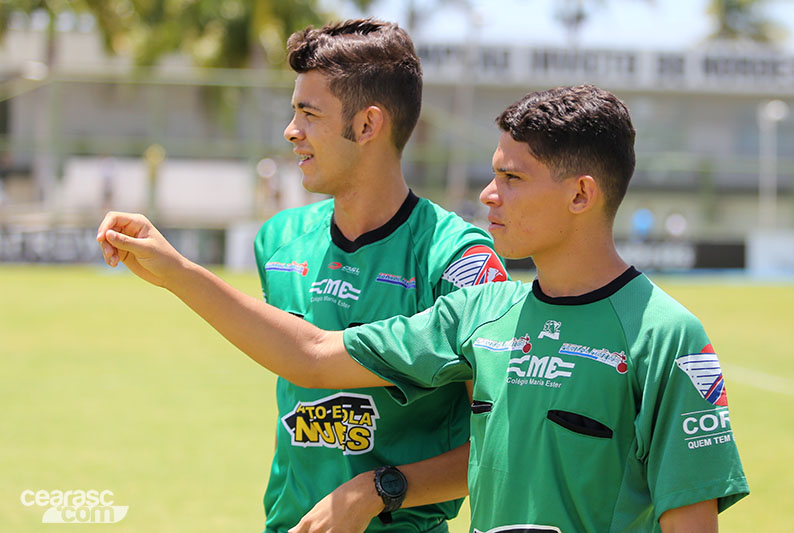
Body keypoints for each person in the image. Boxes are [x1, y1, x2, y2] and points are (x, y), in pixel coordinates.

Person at [97, 85, 748, 531]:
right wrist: (177, 272)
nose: (488, 195)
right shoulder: (480, 313)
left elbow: (690, 521)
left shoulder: (667, 336)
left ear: (581, 194)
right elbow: (314, 355)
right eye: (493, 173)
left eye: (512, 178)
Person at [106, 18, 508, 533]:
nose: (291, 130)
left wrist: (379, 491)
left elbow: (500, 438)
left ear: (368, 125)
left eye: (309, 113)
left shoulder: (458, 260)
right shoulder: (279, 241)